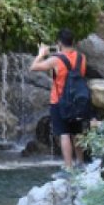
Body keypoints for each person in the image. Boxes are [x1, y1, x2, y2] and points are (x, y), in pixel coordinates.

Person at [30, 29, 89, 169]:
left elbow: (33, 67)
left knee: (64, 133)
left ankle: (68, 168)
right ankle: (80, 163)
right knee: (77, 132)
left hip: (59, 100)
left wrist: (41, 54)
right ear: (73, 42)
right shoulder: (81, 58)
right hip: (77, 101)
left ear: (59, 43)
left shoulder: (55, 59)